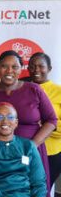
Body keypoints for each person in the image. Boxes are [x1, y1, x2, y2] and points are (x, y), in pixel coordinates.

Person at [0, 50, 57, 197]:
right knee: (1, 194)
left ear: (21, 68)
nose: (9, 71)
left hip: (31, 150)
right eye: (4, 66)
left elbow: (51, 120)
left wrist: (31, 146)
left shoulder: (34, 89)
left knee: (35, 193)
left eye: (15, 67)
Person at [28, 52, 61, 188]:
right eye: (32, 66)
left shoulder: (59, 91)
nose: (36, 70)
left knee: (42, 192)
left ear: (49, 69)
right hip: (26, 149)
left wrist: (46, 126)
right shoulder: (21, 88)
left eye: (41, 66)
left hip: (51, 153)